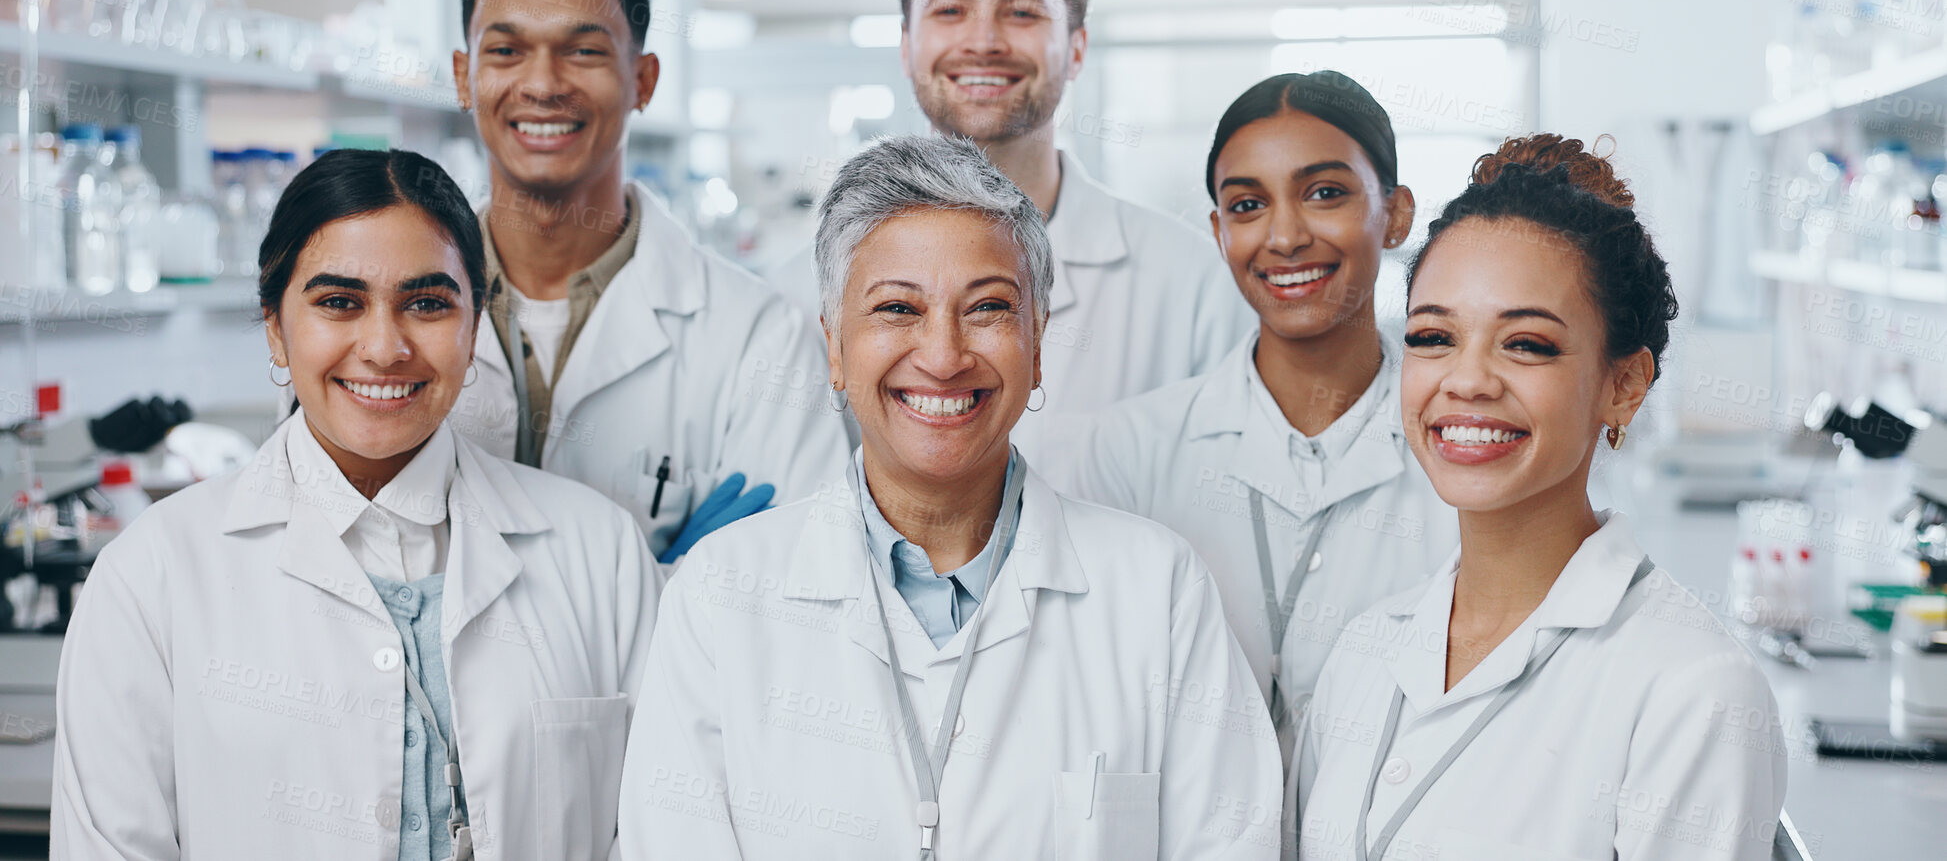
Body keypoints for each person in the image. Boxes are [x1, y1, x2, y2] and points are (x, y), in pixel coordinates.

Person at [619, 136, 1282, 859]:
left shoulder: (1158, 591)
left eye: (988, 307)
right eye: (897, 308)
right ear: (835, 349)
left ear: (1036, 345)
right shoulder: (719, 596)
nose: (941, 355)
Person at [52, 150, 661, 859]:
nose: (383, 347)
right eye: (338, 302)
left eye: (427, 303)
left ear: (476, 326)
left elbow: (656, 833)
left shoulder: (600, 553)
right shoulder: (151, 575)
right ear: (276, 327)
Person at [1296, 136, 1788, 861]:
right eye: (1433, 336)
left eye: (1525, 344)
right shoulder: (1365, 649)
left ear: (1622, 385)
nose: (1465, 380)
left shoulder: (1695, 691)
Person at [1044, 73, 1457, 770]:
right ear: (1217, 231)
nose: (1286, 236)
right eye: (1246, 204)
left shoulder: (1461, 455)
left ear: (1395, 213)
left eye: (1325, 193)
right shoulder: (1122, 456)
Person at [765, 0, 1252, 454]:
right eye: (950, 10)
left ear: (1076, 48)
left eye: (1021, 12)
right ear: (905, 44)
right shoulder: (800, 292)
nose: (984, 41)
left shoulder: (1193, 283)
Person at [447, 0, 847, 560]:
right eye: (507, 50)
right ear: (466, 77)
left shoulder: (755, 338)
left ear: (643, 79)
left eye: (582, 51)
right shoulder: (394, 315)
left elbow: (792, 590)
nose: (542, 84)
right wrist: (666, 581)